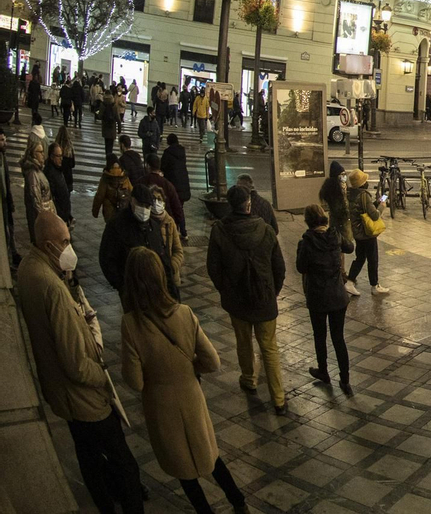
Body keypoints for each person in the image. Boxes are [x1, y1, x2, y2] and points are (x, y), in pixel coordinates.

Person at [16, 211, 147, 514]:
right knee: (124, 463)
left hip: (63, 395)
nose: (69, 247)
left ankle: (105, 505)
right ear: (48, 246)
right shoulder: (52, 289)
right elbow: (76, 364)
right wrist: (102, 377)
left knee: (88, 456)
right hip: (84, 400)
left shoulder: (29, 268)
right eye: (64, 241)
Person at [119, 247, 248, 513]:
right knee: (210, 455)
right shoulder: (184, 313)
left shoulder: (131, 324)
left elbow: (135, 382)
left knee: (183, 469)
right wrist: (189, 369)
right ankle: (239, 502)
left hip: (160, 405)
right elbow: (212, 361)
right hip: (191, 396)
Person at [206, 183, 287, 415]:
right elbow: (279, 268)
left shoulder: (220, 231)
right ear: (248, 204)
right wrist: (272, 292)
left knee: (243, 342)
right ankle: (278, 398)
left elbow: (213, 268)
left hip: (236, 300)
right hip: (264, 299)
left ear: (230, 205)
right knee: (269, 347)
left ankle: (249, 379)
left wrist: (226, 290)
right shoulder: (266, 230)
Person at [296, 203, 353, 395]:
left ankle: (323, 371)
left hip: (317, 297)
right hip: (338, 296)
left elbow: (301, 267)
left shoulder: (306, 243)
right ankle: (345, 380)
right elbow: (350, 247)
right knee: (338, 338)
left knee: (319, 336)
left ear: (307, 221)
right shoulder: (334, 236)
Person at [100, 183, 175, 297]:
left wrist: (171, 289)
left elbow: (163, 257)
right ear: (132, 201)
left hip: (155, 288)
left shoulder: (153, 227)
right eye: (141, 205)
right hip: (132, 291)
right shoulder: (117, 225)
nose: (144, 210)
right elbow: (107, 259)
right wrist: (122, 286)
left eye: (147, 206)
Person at [345, 168, 389, 296]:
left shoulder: (351, 194)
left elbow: (364, 209)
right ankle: (374, 286)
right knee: (372, 258)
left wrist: (376, 202)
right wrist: (382, 206)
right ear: (362, 183)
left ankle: (350, 282)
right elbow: (374, 215)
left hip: (358, 232)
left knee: (360, 258)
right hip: (366, 232)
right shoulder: (364, 195)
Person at [160, 133, 191, 239]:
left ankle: (176, 231)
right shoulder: (182, 152)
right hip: (183, 183)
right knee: (179, 208)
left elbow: (163, 166)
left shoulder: (167, 153)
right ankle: (183, 231)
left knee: (173, 209)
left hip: (172, 184)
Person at [54, 123, 77, 193]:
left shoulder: (56, 146)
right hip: (68, 178)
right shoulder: (70, 146)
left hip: (58, 178)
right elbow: (73, 164)